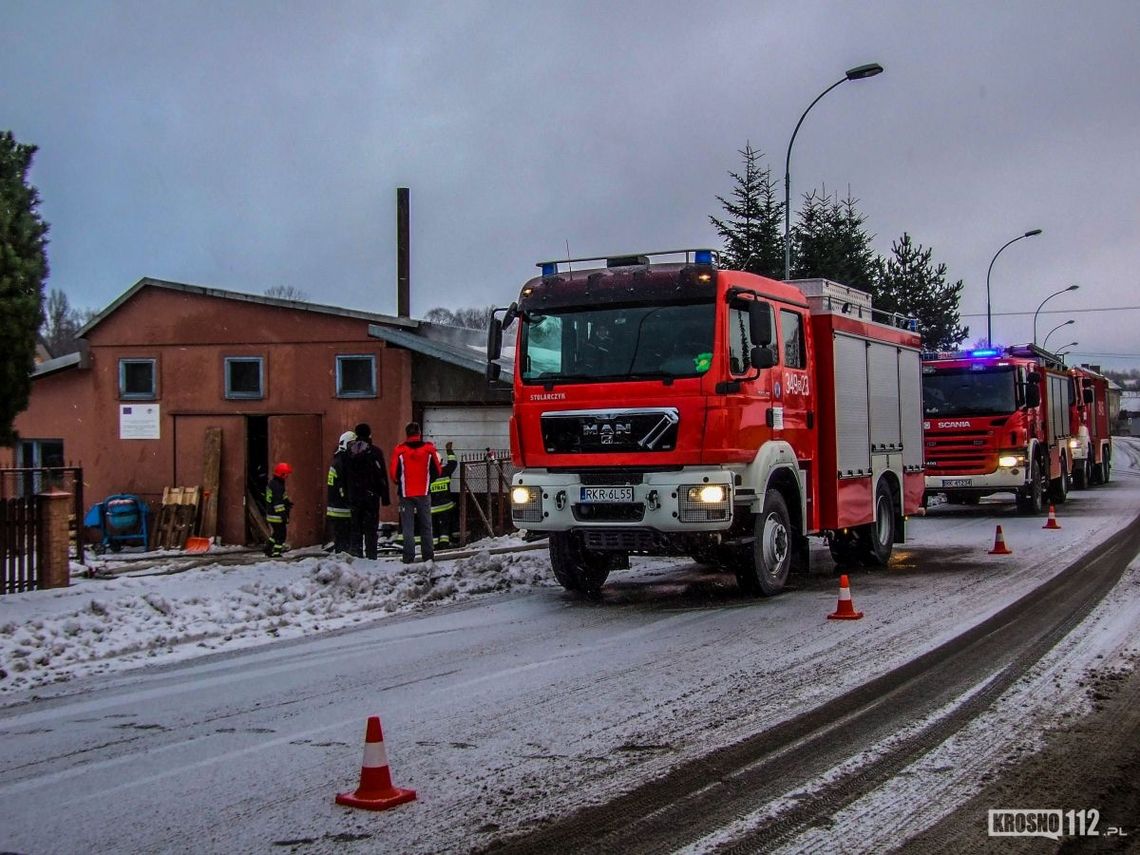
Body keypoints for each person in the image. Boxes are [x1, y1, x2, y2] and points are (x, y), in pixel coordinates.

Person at [390, 421, 442, 564]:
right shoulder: (429, 449)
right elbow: (438, 470)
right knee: (426, 525)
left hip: (406, 494)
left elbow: (394, 474)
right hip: (424, 492)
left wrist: (400, 483)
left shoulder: (399, 450)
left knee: (408, 527)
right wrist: (428, 481)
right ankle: (428, 555)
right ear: (419, 433)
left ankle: (408, 556)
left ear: (407, 434)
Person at [345, 423, 391, 559]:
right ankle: (371, 555)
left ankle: (357, 553)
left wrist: (348, 493)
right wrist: (385, 497)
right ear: (369, 434)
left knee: (356, 527)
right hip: (371, 495)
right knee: (371, 528)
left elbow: (345, 475)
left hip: (354, 496)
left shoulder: (349, 452)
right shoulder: (375, 452)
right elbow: (381, 475)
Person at [325, 430, 355, 553]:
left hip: (337, 507)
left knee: (342, 537)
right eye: (351, 445)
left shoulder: (338, 460)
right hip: (341, 508)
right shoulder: (342, 462)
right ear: (344, 444)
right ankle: (342, 556)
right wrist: (349, 500)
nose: (353, 448)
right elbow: (342, 486)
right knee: (343, 538)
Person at [429, 441, 459, 547]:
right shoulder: (445, 471)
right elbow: (453, 463)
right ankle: (444, 543)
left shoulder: (427, 475)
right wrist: (449, 450)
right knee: (444, 526)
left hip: (432, 508)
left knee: (435, 527)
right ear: (441, 461)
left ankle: (435, 544)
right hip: (445, 507)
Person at [265, 462, 293, 558]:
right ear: (282, 474)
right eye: (286, 474)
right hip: (276, 515)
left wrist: (287, 502)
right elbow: (278, 503)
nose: (287, 476)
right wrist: (283, 515)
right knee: (281, 534)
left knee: (276, 533)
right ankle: (276, 552)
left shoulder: (274, 483)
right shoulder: (278, 486)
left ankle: (268, 548)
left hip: (271, 513)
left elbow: (281, 497)